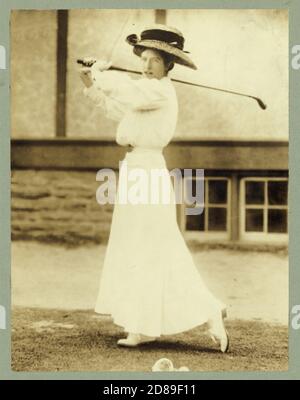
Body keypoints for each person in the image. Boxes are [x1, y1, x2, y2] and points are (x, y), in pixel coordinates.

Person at [79, 25, 229, 353]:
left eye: (155, 60)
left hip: (148, 169)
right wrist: (92, 82)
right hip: (134, 168)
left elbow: (129, 93)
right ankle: (143, 324)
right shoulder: (146, 91)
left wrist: (102, 72)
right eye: (144, 59)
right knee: (137, 247)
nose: (147, 66)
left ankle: (202, 311)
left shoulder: (160, 91)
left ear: (168, 65)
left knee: (151, 246)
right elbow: (119, 110)